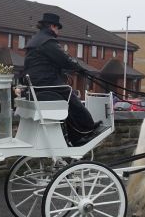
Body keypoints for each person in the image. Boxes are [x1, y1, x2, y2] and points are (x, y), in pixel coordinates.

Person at [23, 12, 100, 145]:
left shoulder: (36, 40)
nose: (58, 31)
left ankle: (75, 135)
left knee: (66, 100)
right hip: (45, 83)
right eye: (57, 28)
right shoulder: (47, 41)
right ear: (52, 26)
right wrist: (80, 68)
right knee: (70, 93)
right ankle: (87, 128)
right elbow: (64, 59)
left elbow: (50, 62)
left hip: (37, 83)